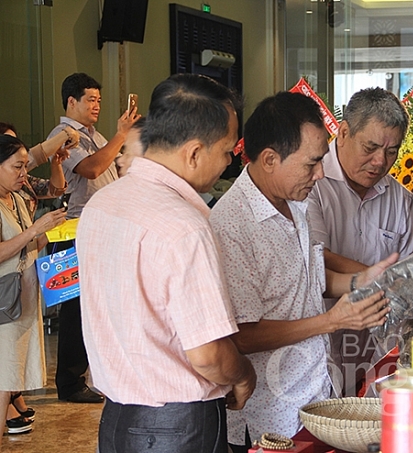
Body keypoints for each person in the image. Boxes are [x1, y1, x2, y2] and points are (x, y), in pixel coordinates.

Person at [77, 73, 256, 453]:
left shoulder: (102, 205)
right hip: (176, 427)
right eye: (226, 151)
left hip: (116, 421)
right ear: (193, 152)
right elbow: (207, 355)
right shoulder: (184, 226)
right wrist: (242, 375)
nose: (228, 162)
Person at [209, 91, 396, 453]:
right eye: (311, 163)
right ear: (269, 159)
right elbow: (241, 336)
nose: (321, 174)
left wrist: (362, 281)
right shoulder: (232, 225)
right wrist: (331, 322)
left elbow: (307, 280)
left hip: (313, 392)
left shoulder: (297, 202)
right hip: (268, 413)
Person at [306, 87, 413, 394]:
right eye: (371, 147)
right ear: (344, 131)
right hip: (319, 345)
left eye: (392, 151)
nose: (380, 161)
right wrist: (379, 279)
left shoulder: (401, 201)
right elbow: (314, 256)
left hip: (379, 350)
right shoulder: (311, 184)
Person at [46, 72, 140, 404]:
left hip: (105, 229)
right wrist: (120, 136)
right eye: (91, 99)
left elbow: (114, 168)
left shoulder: (97, 135)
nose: (97, 105)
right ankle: (70, 382)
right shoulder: (63, 135)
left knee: (100, 306)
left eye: (99, 100)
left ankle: (95, 373)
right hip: (77, 231)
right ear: (71, 101)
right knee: (76, 309)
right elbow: (91, 169)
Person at [0, 135, 67, 438]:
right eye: (17, 167)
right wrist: (35, 231)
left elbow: (27, 247)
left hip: (23, 300)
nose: (24, 174)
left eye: (25, 167)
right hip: (5, 305)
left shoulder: (14, 199)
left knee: (10, 379)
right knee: (3, 380)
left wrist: (50, 231)